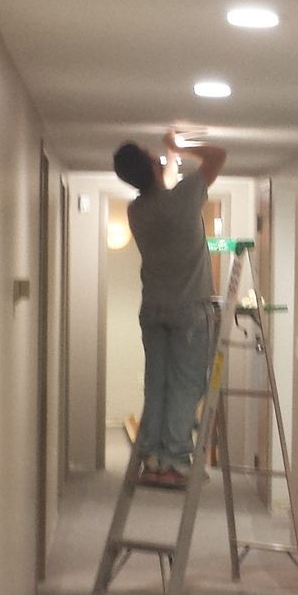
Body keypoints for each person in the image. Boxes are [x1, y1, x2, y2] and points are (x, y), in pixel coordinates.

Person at [113, 130, 227, 489]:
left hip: (154, 309)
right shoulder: (184, 198)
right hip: (189, 310)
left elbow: (160, 192)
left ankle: (153, 455)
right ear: (151, 165)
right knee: (186, 384)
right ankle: (175, 459)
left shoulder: (137, 211)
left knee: (157, 384)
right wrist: (180, 146)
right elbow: (218, 156)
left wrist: (168, 157)